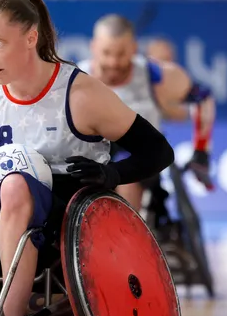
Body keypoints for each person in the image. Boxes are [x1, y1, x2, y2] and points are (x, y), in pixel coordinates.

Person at [0, 0, 174, 316]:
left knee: (15, 186)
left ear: (30, 38)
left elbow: (158, 150)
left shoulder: (80, 94)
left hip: (59, 226)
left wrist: (112, 175)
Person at [78, 14, 215, 212]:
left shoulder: (156, 75)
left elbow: (203, 98)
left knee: (128, 178)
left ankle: (126, 234)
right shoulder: (76, 78)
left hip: (139, 159)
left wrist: (201, 151)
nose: (114, 62)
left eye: (121, 54)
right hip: (93, 157)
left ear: (134, 48)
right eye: (107, 53)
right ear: (93, 48)